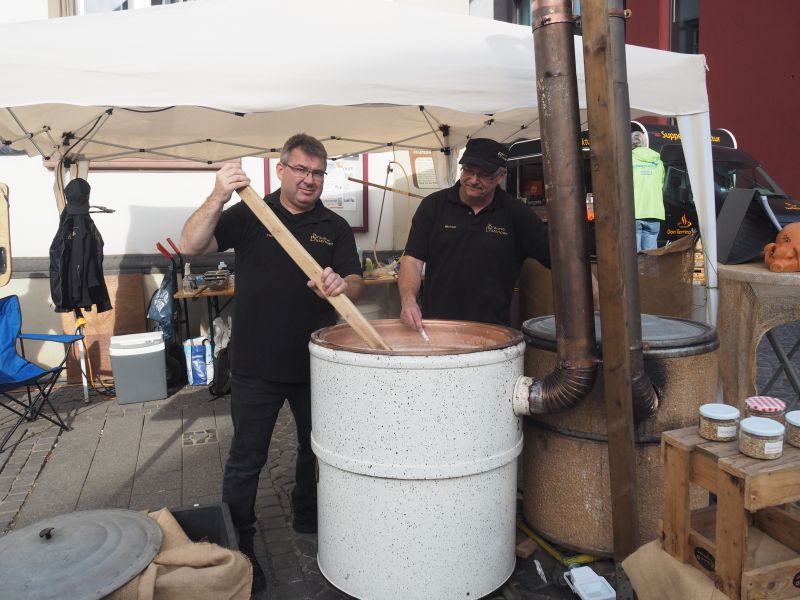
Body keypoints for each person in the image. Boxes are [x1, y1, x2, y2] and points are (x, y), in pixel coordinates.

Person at [180, 133, 363, 593]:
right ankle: (240, 549)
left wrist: (343, 286)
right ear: (280, 170)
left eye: (318, 173)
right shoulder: (250, 214)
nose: (310, 180)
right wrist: (219, 193)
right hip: (254, 365)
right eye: (301, 170)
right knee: (246, 460)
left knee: (313, 449)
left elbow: (356, 281)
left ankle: (307, 514)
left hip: (316, 364)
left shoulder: (333, 226)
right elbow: (191, 245)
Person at [399, 138, 551, 330]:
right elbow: (412, 260)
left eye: (484, 175)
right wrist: (408, 300)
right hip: (436, 329)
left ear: (501, 176)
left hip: (492, 333)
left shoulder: (516, 214)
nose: (473, 180)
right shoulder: (433, 206)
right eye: (468, 170)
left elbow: (563, 260)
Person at [631, 131, 666, 252]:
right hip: (654, 212)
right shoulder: (658, 162)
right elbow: (661, 184)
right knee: (651, 257)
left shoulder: (627, 160)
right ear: (646, 143)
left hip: (634, 212)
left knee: (634, 257)